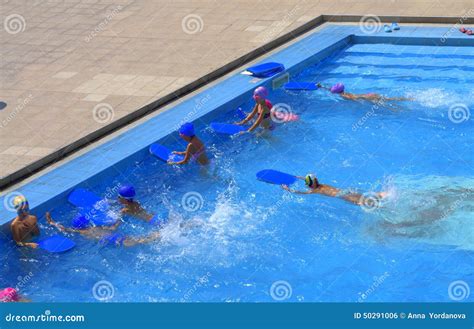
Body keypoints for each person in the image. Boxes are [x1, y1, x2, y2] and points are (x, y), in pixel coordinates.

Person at [46, 213, 161, 247]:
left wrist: (52, 222)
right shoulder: (96, 227)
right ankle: (159, 236)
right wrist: (119, 220)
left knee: (139, 241)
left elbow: (64, 229)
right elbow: (113, 228)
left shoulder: (81, 231)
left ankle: (159, 237)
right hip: (116, 238)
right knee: (139, 240)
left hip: (113, 241)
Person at [281, 174, 388, 206]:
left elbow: (302, 193)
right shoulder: (320, 184)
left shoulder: (316, 190)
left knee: (361, 202)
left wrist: (289, 190)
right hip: (346, 191)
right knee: (362, 195)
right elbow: (309, 178)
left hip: (343, 196)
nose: (306, 186)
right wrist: (296, 177)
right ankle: (383, 194)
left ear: (311, 185)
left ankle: (382, 206)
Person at [318, 82, 411, 102]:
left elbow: (355, 98)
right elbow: (330, 89)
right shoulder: (343, 92)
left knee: (388, 105)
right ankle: (407, 98)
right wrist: (321, 86)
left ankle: (398, 110)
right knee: (389, 99)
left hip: (368, 97)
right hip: (369, 95)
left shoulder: (344, 96)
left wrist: (359, 101)